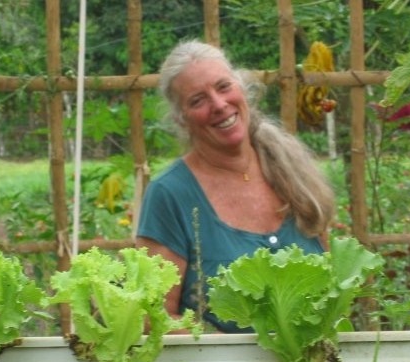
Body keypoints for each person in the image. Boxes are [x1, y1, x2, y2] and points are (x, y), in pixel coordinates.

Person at [136, 40, 335, 333]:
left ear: (242, 89)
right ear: (181, 118)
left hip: (314, 361)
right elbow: (153, 316)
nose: (219, 105)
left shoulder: (293, 170)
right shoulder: (170, 194)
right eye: (198, 101)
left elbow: (332, 283)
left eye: (223, 87)